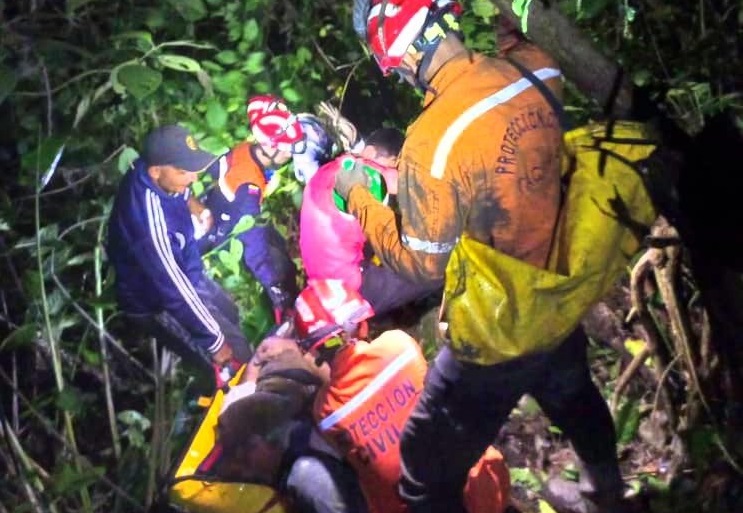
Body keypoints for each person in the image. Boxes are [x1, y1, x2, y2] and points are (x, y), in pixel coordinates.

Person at [337, 2, 629, 513]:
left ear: (405, 54)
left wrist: (361, 198)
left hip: (496, 328)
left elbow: (421, 263)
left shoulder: (430, 141)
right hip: (555, 290)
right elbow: (515, 44)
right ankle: (609, 495)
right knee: (574, 395)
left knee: (424, 467)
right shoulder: (534, 69)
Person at [292, 279, 510, 513]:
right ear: (362, 323)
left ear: (314, 351)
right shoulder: (399, 346)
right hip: (482, 494)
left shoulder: (325, 412)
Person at [106, 124, 252, 381]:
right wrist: (216, 343)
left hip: (185, 269)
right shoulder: (150, 227)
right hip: (157, 302)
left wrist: (192, 202)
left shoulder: (151, 171)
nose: (194, 179)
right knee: (234, 358)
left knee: (230, 313)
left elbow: (178, 187)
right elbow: (175, 291)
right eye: (185, 172)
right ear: (156, 171)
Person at [215, 331, 368, 513]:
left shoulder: (309, 458)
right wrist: (258, 360)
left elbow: (339, 385)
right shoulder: (239, 420)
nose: (247, 471)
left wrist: (268, 355)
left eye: (246, 455)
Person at [188, 95, 308, 322]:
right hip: (215, 235)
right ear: (268, 147)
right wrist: (276, 291)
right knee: (274, 263)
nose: (289, 155)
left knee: (274, 241)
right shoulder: (249, 188)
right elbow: (254, 248)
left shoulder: (245, 149)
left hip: (217, 209)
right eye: (286, 150)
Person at [299, 127, 439, 318]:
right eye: (393, 164)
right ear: (371, 153)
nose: (393, 170)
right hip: (349, 287)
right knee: (434, 266)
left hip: (317, 279)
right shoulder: (370, 173)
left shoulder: (326, 170)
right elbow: (418, 185)